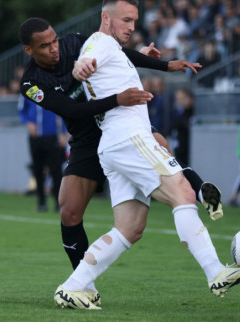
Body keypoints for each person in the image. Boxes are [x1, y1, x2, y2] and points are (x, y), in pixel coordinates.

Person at [54, 0, 240, 310]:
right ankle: (216, 272)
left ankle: (72, 287)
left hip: (114, 145)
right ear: (106, 18)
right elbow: (87, 59)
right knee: (183, 193)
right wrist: (82, 66)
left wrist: (144, 56)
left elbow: (107, 62)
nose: (132, 26)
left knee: (129, 228)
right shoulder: (98, 43)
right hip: (131, 140)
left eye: (134, 20)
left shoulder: (113, 50)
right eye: (126, 19)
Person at [19, 17, 223, 305]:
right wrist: (118, 98)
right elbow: (72, 111)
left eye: (54, 40)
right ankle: (83, 285)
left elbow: (116, 51)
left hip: (117, 124)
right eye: (45, 45)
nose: (54, 48)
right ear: (29, 50)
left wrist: (165, 65)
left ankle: (200, 190)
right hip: (87, 139)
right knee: (69, 211)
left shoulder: (76, 42)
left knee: (161, 146)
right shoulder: (31, 83)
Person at [18, 96, 67, 212]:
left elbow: (64, 110)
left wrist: (63, 133)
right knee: (38, 170)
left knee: (56, 170)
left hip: (51, 136)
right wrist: (28, 123)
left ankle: (58, 202)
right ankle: (41, 202)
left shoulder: (54, 88)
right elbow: (21, 110)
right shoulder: (27, 88)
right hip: (35, 137)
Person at [170, 88, 194, 164]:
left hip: (188, 149)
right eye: (178, 99)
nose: (180, 101)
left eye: (182, 98)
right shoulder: (179, 111)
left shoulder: (193, 111)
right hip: (178, 148)